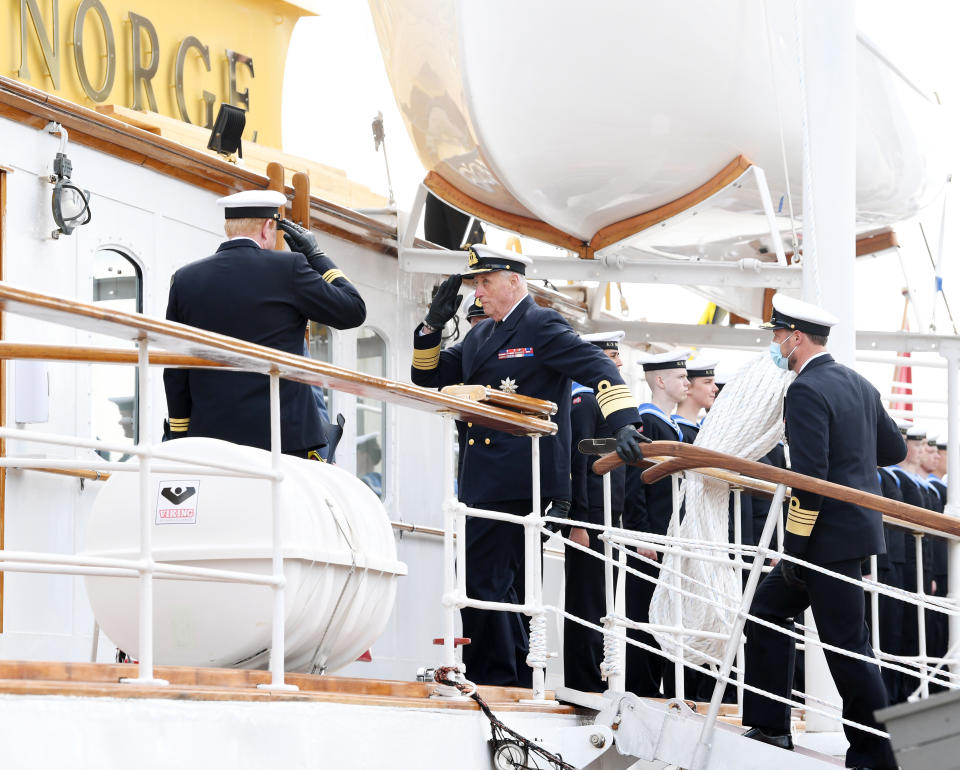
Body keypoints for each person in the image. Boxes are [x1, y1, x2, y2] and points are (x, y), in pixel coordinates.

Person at [410, 244, 645, 687]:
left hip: (525, 476)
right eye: (475, 284)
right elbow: (429, 377)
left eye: (485, 282)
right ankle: (511, 676)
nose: (478, 293)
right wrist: (431, 326)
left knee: (491, 582)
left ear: (514, 281)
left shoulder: (540, 323)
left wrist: (625, 422)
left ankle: (499, 678)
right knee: (492, 584)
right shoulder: (480, 335)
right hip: (482, 477)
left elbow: (596, 365)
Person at [742, 293, 904, 770]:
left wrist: (794, 548)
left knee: (846, 645)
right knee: (769, 611)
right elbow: (893, 450)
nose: (774, 343)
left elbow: (808, 479)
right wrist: (854, 460)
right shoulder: (858, 383)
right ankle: (771, 725)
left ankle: (878, 752)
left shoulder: (806, 389)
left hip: (821, 539)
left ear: (795, 337)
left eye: (776, 334)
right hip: (850, 533)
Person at [163, 190, 366, 457]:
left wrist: (181, 435)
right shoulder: (290, 267)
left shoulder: (185, 279)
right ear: (268, 226)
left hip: (210, 439)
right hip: (283, 441)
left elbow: (176, 369)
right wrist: (315, 255)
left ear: (229, 228)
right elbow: (353, 310)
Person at [564, 330, 628, 693]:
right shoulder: (585, 399)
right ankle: (583, 680)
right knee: (585, 602)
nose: (618, 364)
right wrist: (578, 523)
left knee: (600, 602)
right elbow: (578, 457)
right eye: (611, 357)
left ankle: (596, 674)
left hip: (607, 517)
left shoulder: (602, 401)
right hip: (589, 518)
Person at [623, 351, 689, 697]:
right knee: (645, 612)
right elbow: (635, 484)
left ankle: (656, 684)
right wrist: (642, 534)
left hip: (668, 535)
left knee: (663, 613)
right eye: (681, 377)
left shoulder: (668, 424)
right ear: (660, 381)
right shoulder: (646, 423)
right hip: (652, 536)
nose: (687, 383)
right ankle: (643, 687)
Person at [888, 426, 935, 698]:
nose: (921, 451)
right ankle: (893, 693)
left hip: (914, 566)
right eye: (918, 446)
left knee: (915, 633)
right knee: (892, 631)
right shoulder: (891, 478)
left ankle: (905, 690)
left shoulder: (907, 482)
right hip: (893, 565)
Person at [672, 357, 718, 442]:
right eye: (708, 382)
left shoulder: (699, 430)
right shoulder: (676, 431)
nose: (715, 388)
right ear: (687, 386)